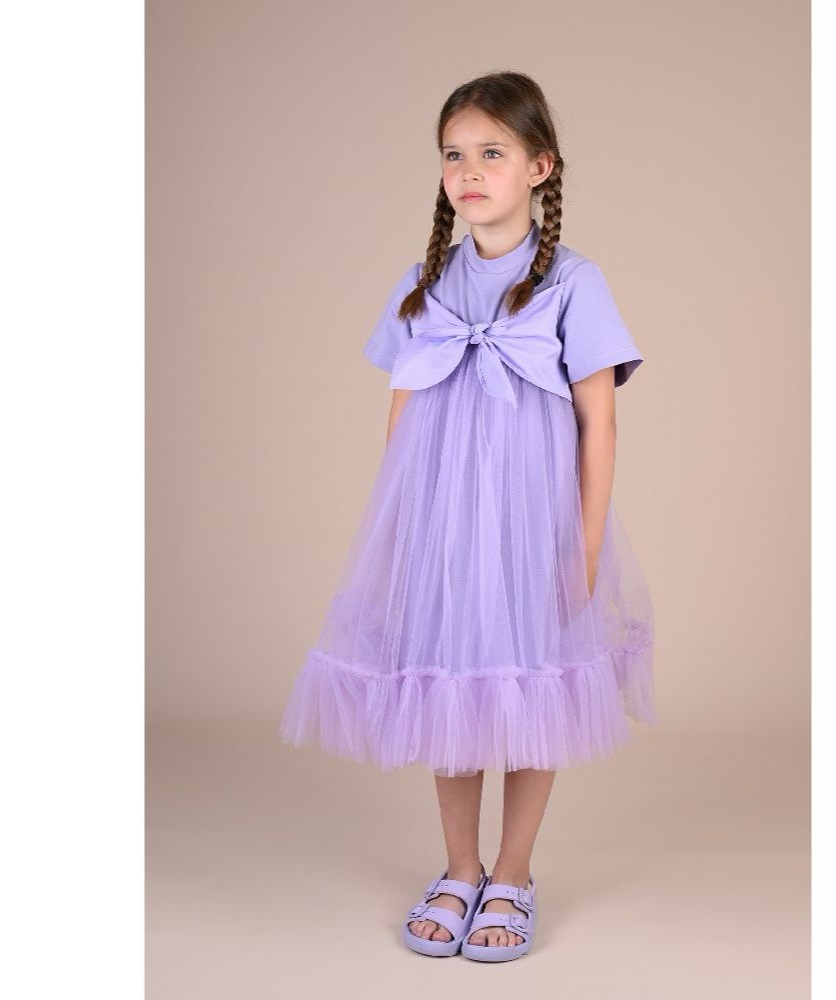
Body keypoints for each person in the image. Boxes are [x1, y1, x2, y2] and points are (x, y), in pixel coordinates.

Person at [278, 71, 656, 962]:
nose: (470, 171)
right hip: (446, 525)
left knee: (532, 683)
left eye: (492, 152)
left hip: (534, 525)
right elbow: (403, 416)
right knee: (448, 678)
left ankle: (513, 874)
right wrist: (401, 527)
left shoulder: (573, 282)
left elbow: (599, 422)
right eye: (454, 155)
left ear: (539, 166)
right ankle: (459, 868)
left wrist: (584, 545)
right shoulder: (425, 284)